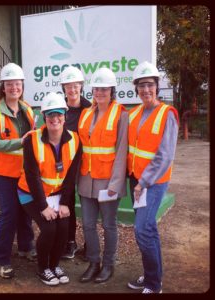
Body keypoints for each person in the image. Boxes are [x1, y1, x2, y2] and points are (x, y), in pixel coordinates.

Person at [17, 92, 82, 286]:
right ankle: (43, 268)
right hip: (30, 193)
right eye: (50, 114)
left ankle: (54, 265)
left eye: (59, 114)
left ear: (65, 115)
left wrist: (63, 203)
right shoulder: (32, 140)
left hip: (56, 194)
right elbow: (32, 176)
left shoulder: (76, 140)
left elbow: (71, 176)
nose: (55, 118)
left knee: (63, 226)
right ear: (44, 117)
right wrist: (44, 206)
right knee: (48, 228)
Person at [126, 61, 179, 294]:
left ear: (157, 87)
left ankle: (153, 284)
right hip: (135, 180)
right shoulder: (134, 113)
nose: (146, 90)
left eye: (150, 85)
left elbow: (165, 156)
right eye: (141, 85)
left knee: (142, 230)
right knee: (148, 229)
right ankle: (151, 275)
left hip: (152, 182)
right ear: (136, 88)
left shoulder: (167, 114)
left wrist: (143, 183)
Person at [0, 63, 36, 279]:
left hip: (25, 172)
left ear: (22, 85)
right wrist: (19, 142)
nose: (14, 87)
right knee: (9, 214)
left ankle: (25, 247)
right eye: (10, 84)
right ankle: (2, 259)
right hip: (3, 173)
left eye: (17, 83)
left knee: (26, 211)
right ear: (3, 87)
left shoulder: (28, 109)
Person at [78, 67, 128, 283]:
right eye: (96, 88)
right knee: (88, 224)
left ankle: (108, 265)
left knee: (109, 224)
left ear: (112, 90)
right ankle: (93, 262)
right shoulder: (86, 112)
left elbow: (122, 151)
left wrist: (115, 184)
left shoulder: (121, 114)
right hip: (86, 179)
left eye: (104, 89)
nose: (99, 92)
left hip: (108, 181)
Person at [59, 66, 91, 260]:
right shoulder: (59, 108)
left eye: (76, 85)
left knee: (89, 204)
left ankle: (91, 244)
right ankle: (69, 242)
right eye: (68, 86)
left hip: (88, 164)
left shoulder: (90, 108)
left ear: (81, 86)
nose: (72, 90)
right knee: (67, 203)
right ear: (64, 88)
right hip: (66, 165)